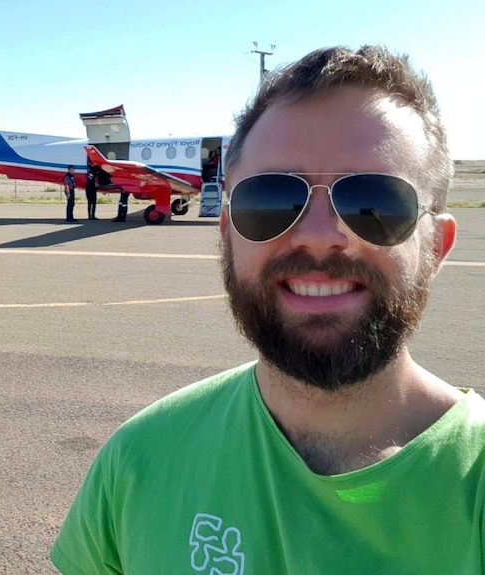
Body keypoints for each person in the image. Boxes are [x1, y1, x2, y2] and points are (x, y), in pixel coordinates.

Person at [51, 45, 482, 574]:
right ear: (226, 236)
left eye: (377, 201)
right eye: (271, 200)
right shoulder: (138, 459)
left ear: (437, 248)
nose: (322, 238)